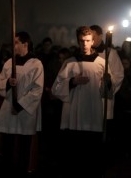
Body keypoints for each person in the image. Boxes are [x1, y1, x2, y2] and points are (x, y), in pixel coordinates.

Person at [51, 26, 112, 178]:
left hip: (93, 114)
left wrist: (108, 83)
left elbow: (108, 93)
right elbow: (55, 88)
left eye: (87, 41)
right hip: (74, 115)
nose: (84, 44)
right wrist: (72, 81)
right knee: (74, 157)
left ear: (93, 41)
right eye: (81, 41)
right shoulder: (69, 63)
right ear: (78, 41)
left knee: (92, 157)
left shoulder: (102, 63)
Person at [0, 31, 44, 177]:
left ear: (25, 44)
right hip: (9, 109)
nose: (13, 45)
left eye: (16, 42)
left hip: (25, 112)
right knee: (7, 148)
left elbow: (38, 89)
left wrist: (20, 105)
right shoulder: (9, 62)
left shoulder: (36, 64)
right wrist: (8, 83)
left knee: (24, 148)